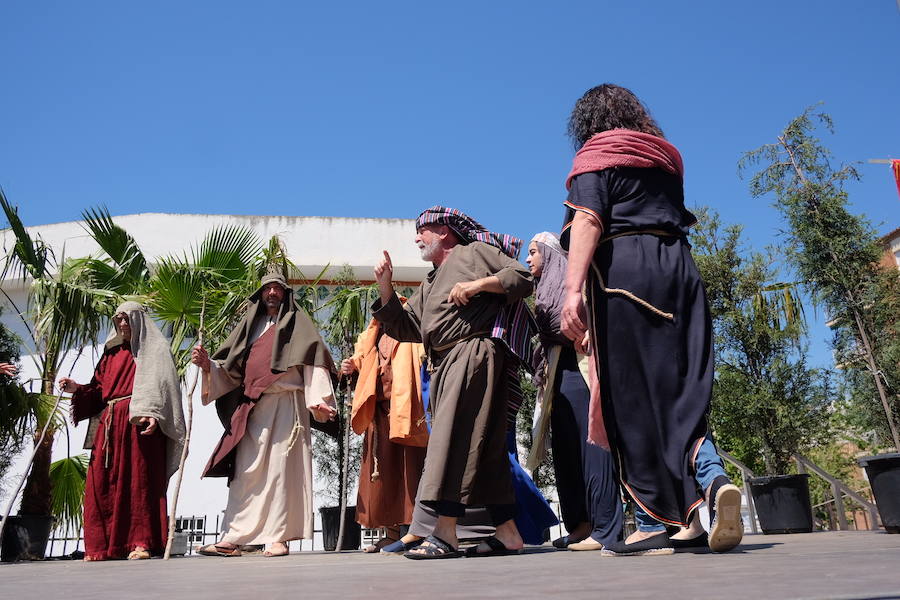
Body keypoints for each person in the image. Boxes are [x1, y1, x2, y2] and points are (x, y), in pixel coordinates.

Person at [559, 84, 743, 556]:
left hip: (628, 276)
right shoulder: (665, 158)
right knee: (681, 395)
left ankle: (649, 523)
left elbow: (589, 220)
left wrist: (572, 289)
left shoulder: (598, 154)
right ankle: (710, 484)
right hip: (681, 270)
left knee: (632, 399)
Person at [372, 206, 535, 559]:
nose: (417, 237)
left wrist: (479, 284)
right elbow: (405, 328)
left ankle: (445, 533)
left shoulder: (473, 253)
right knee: (485, 448)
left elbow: (522, 276)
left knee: (453, 439)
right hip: (445, 363)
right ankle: (508, 533)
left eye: (422, 230)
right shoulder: (430, 280)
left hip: (472, 352)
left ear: (444, 231)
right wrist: (386, 287)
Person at [192, 272, 337, 558]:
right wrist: (209, 365)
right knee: (245, 472)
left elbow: (313, 363)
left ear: (285, 293)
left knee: (282, 473)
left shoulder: (299, 324)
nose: (272, 293)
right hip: (253, 408)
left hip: (287, 404)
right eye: (268, 288)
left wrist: (318, 400)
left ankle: (278, 538)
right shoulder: (250, 326)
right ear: (260, 293)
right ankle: (234, 536)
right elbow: (231, 369)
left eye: (278, 289)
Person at [61, 302, 185, 561]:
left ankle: (141, 543)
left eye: (127, 319)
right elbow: (98, 390)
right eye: (119, 319)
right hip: (110, 424)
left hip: (139, 424)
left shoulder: (156, 350)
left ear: (139, 320)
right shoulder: (111, 353)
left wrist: (154, 412)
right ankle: (103, 546)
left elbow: (164, 388)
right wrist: (77, 388)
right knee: (103, 482)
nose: (123, 324)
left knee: (139, 483)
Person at [525, 232, 623, 551]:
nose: (528, 259)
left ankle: (604, 527)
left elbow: (580, 318)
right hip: (559, 372)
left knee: (592, 447)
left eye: (533, 252)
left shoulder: (574, 284)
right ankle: (579, 525)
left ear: (551, 255)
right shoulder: (543, 291)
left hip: (583, 369)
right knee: (566, 452)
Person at [340, 311, 428, 552]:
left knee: (410, 473)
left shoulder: (412, 333)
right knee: (383, 475)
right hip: (378, 415)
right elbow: (361, 364)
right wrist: (350, 366)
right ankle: (390, 534)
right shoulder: (372, 336)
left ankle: (414, 532)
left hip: (408, 410)